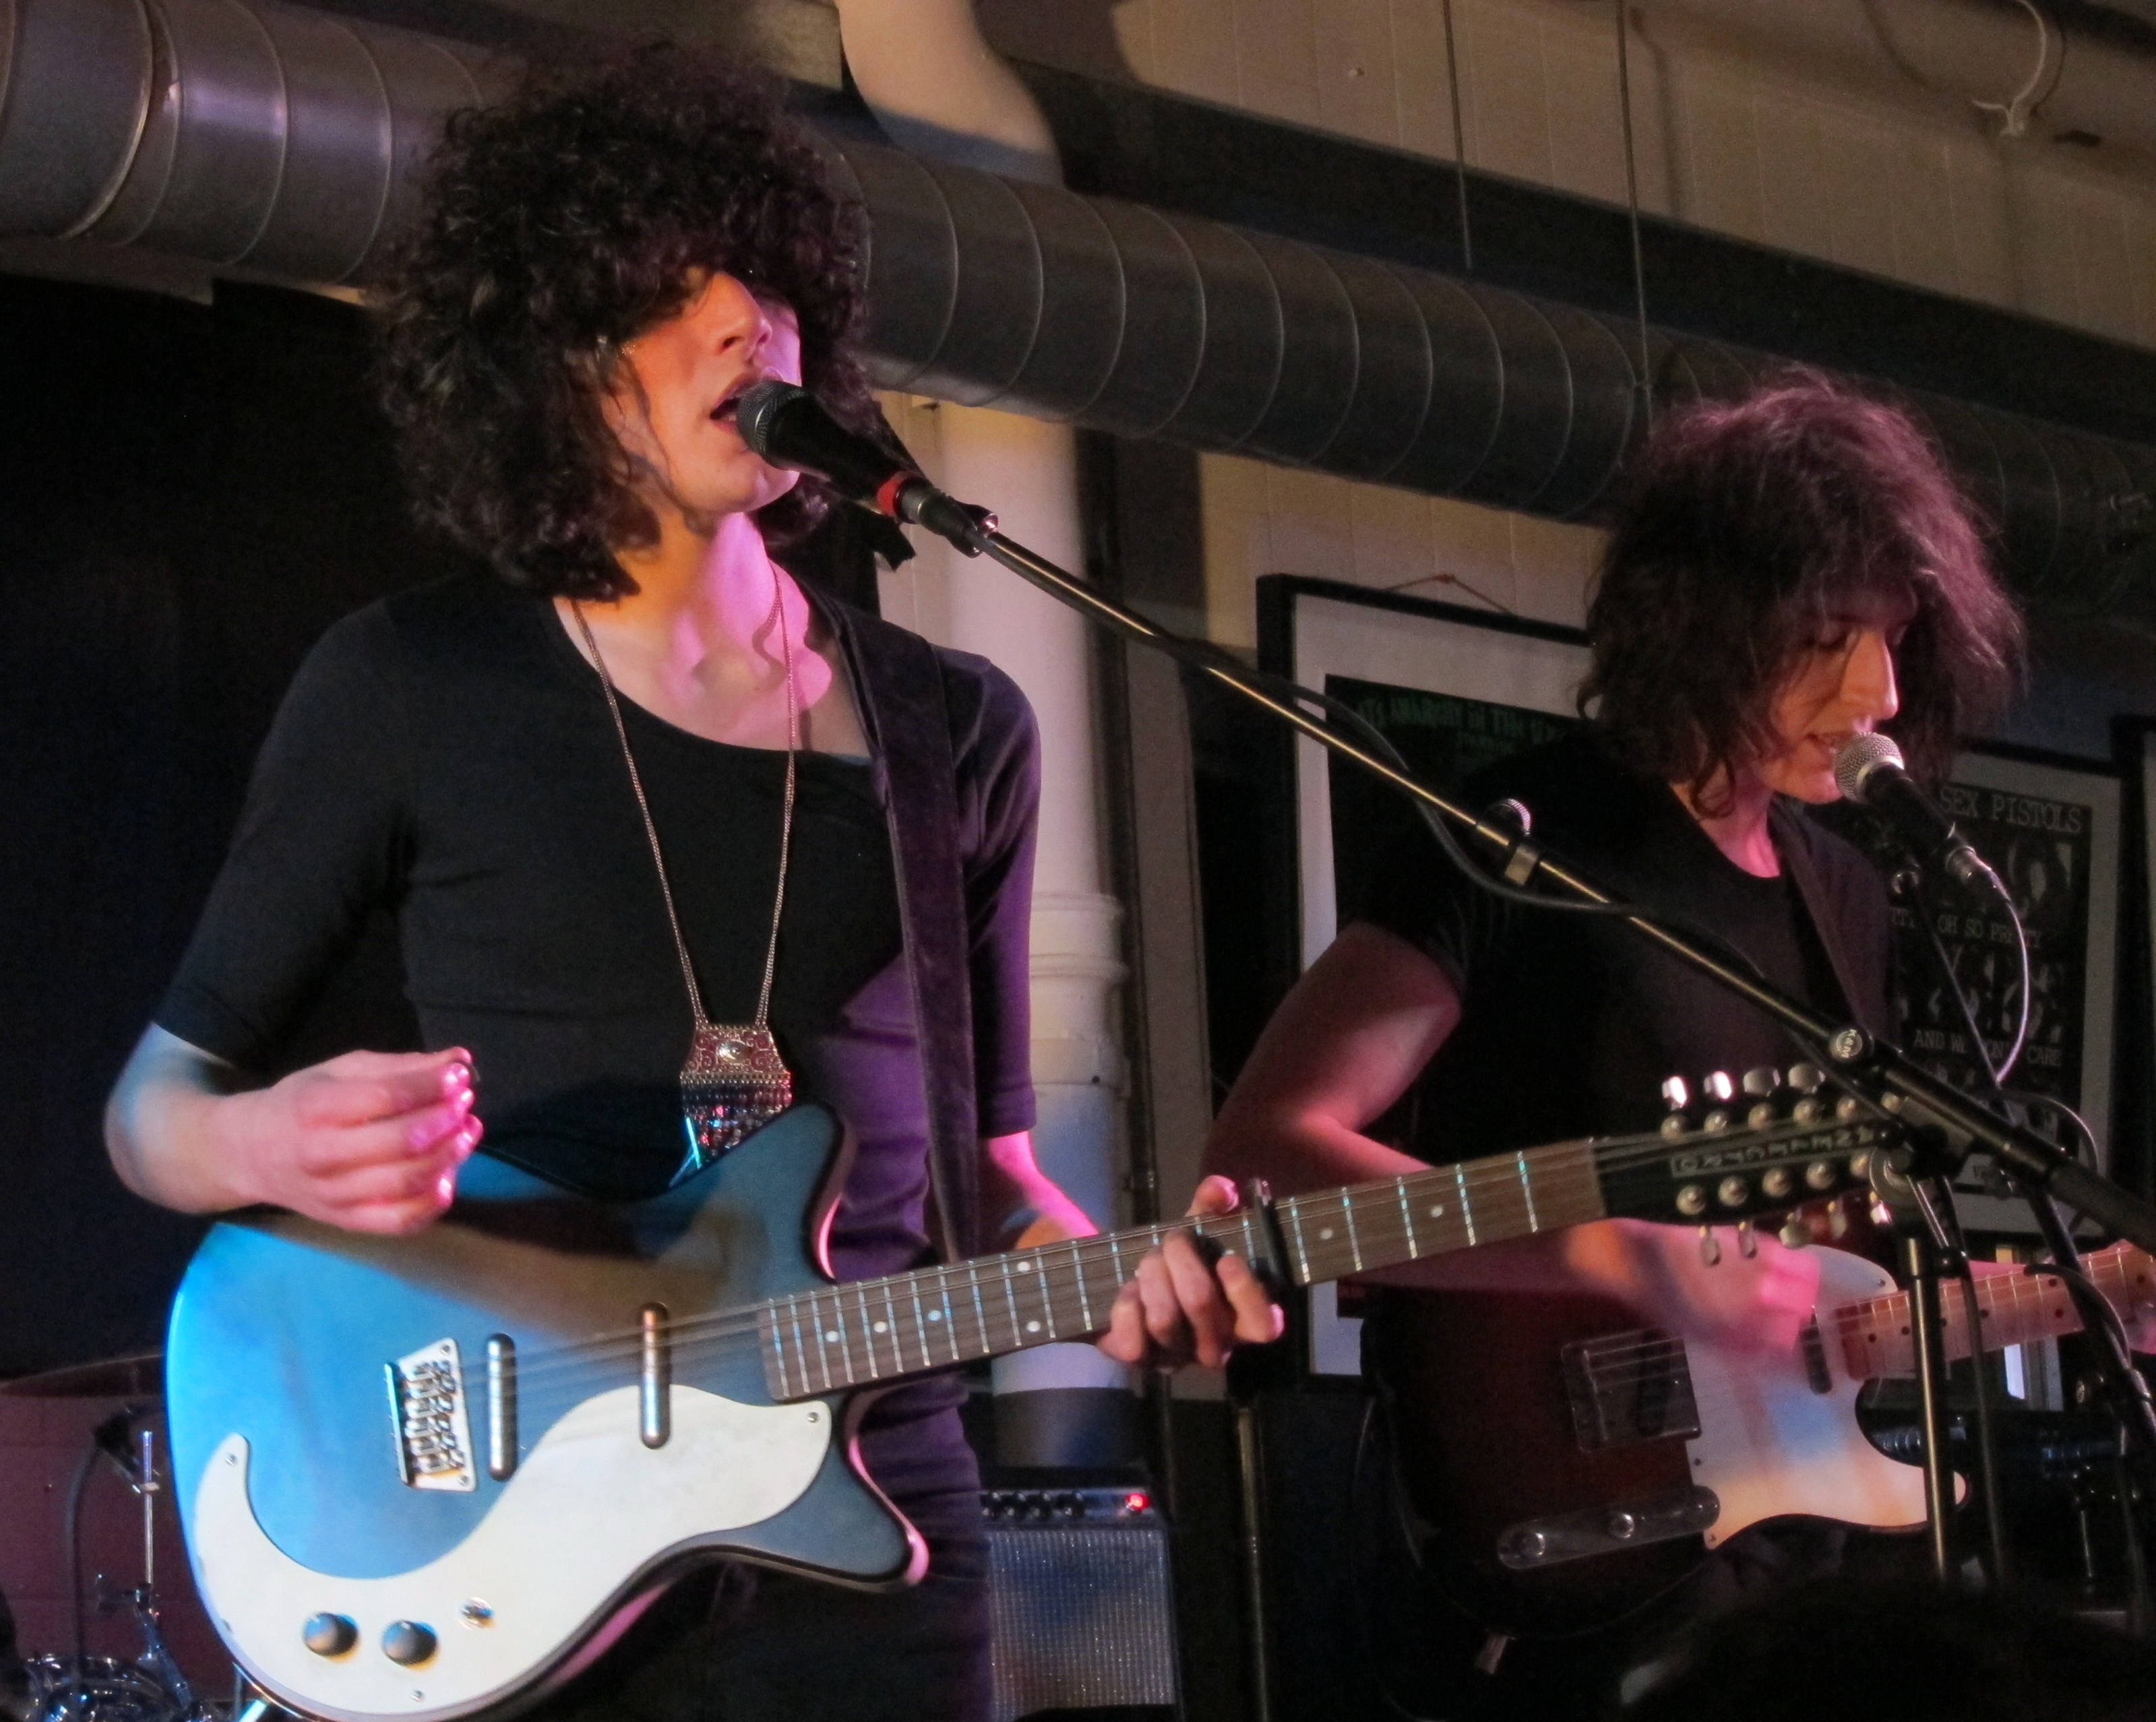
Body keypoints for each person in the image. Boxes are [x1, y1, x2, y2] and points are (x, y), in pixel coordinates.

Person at [104, 51, 1277, 1722]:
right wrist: (264, 1145)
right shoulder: (410, 683)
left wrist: (1127, 1282)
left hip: (872, 1512)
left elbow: (990, 1172)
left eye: (768, 283)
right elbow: (151, 1115)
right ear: (559, 363)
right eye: (673, 293)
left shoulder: (957, 729)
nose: (746, 323)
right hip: (519, 1499)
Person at [1204, 375, 2027, 1715]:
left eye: (1890, 636)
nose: (1877, 688)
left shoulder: (1844, 890)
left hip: (1794, 1549)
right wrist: (1614, 1253)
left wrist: (2087, 1293)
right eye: (1827, 636)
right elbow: (1267, 1156)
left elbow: (1822, 1267)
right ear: (1706, 625)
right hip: (1575, 1538)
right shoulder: (1530, 838)